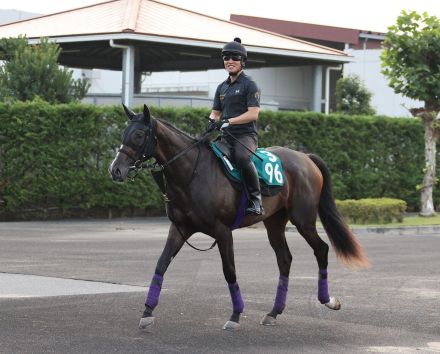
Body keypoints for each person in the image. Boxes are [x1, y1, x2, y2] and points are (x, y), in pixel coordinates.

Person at [209, 37, 264, 215]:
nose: (230, 61)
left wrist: (228, 121)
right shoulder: (221, 87)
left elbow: (253, 113)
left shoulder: (250, 84)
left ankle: (256, 200)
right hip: (226, 137)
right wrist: (212, 122)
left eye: (234, 57)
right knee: (207, 154)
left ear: (242, 62)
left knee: (241, 158)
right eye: (226, 58)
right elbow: (215, 113)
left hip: (245, 136)